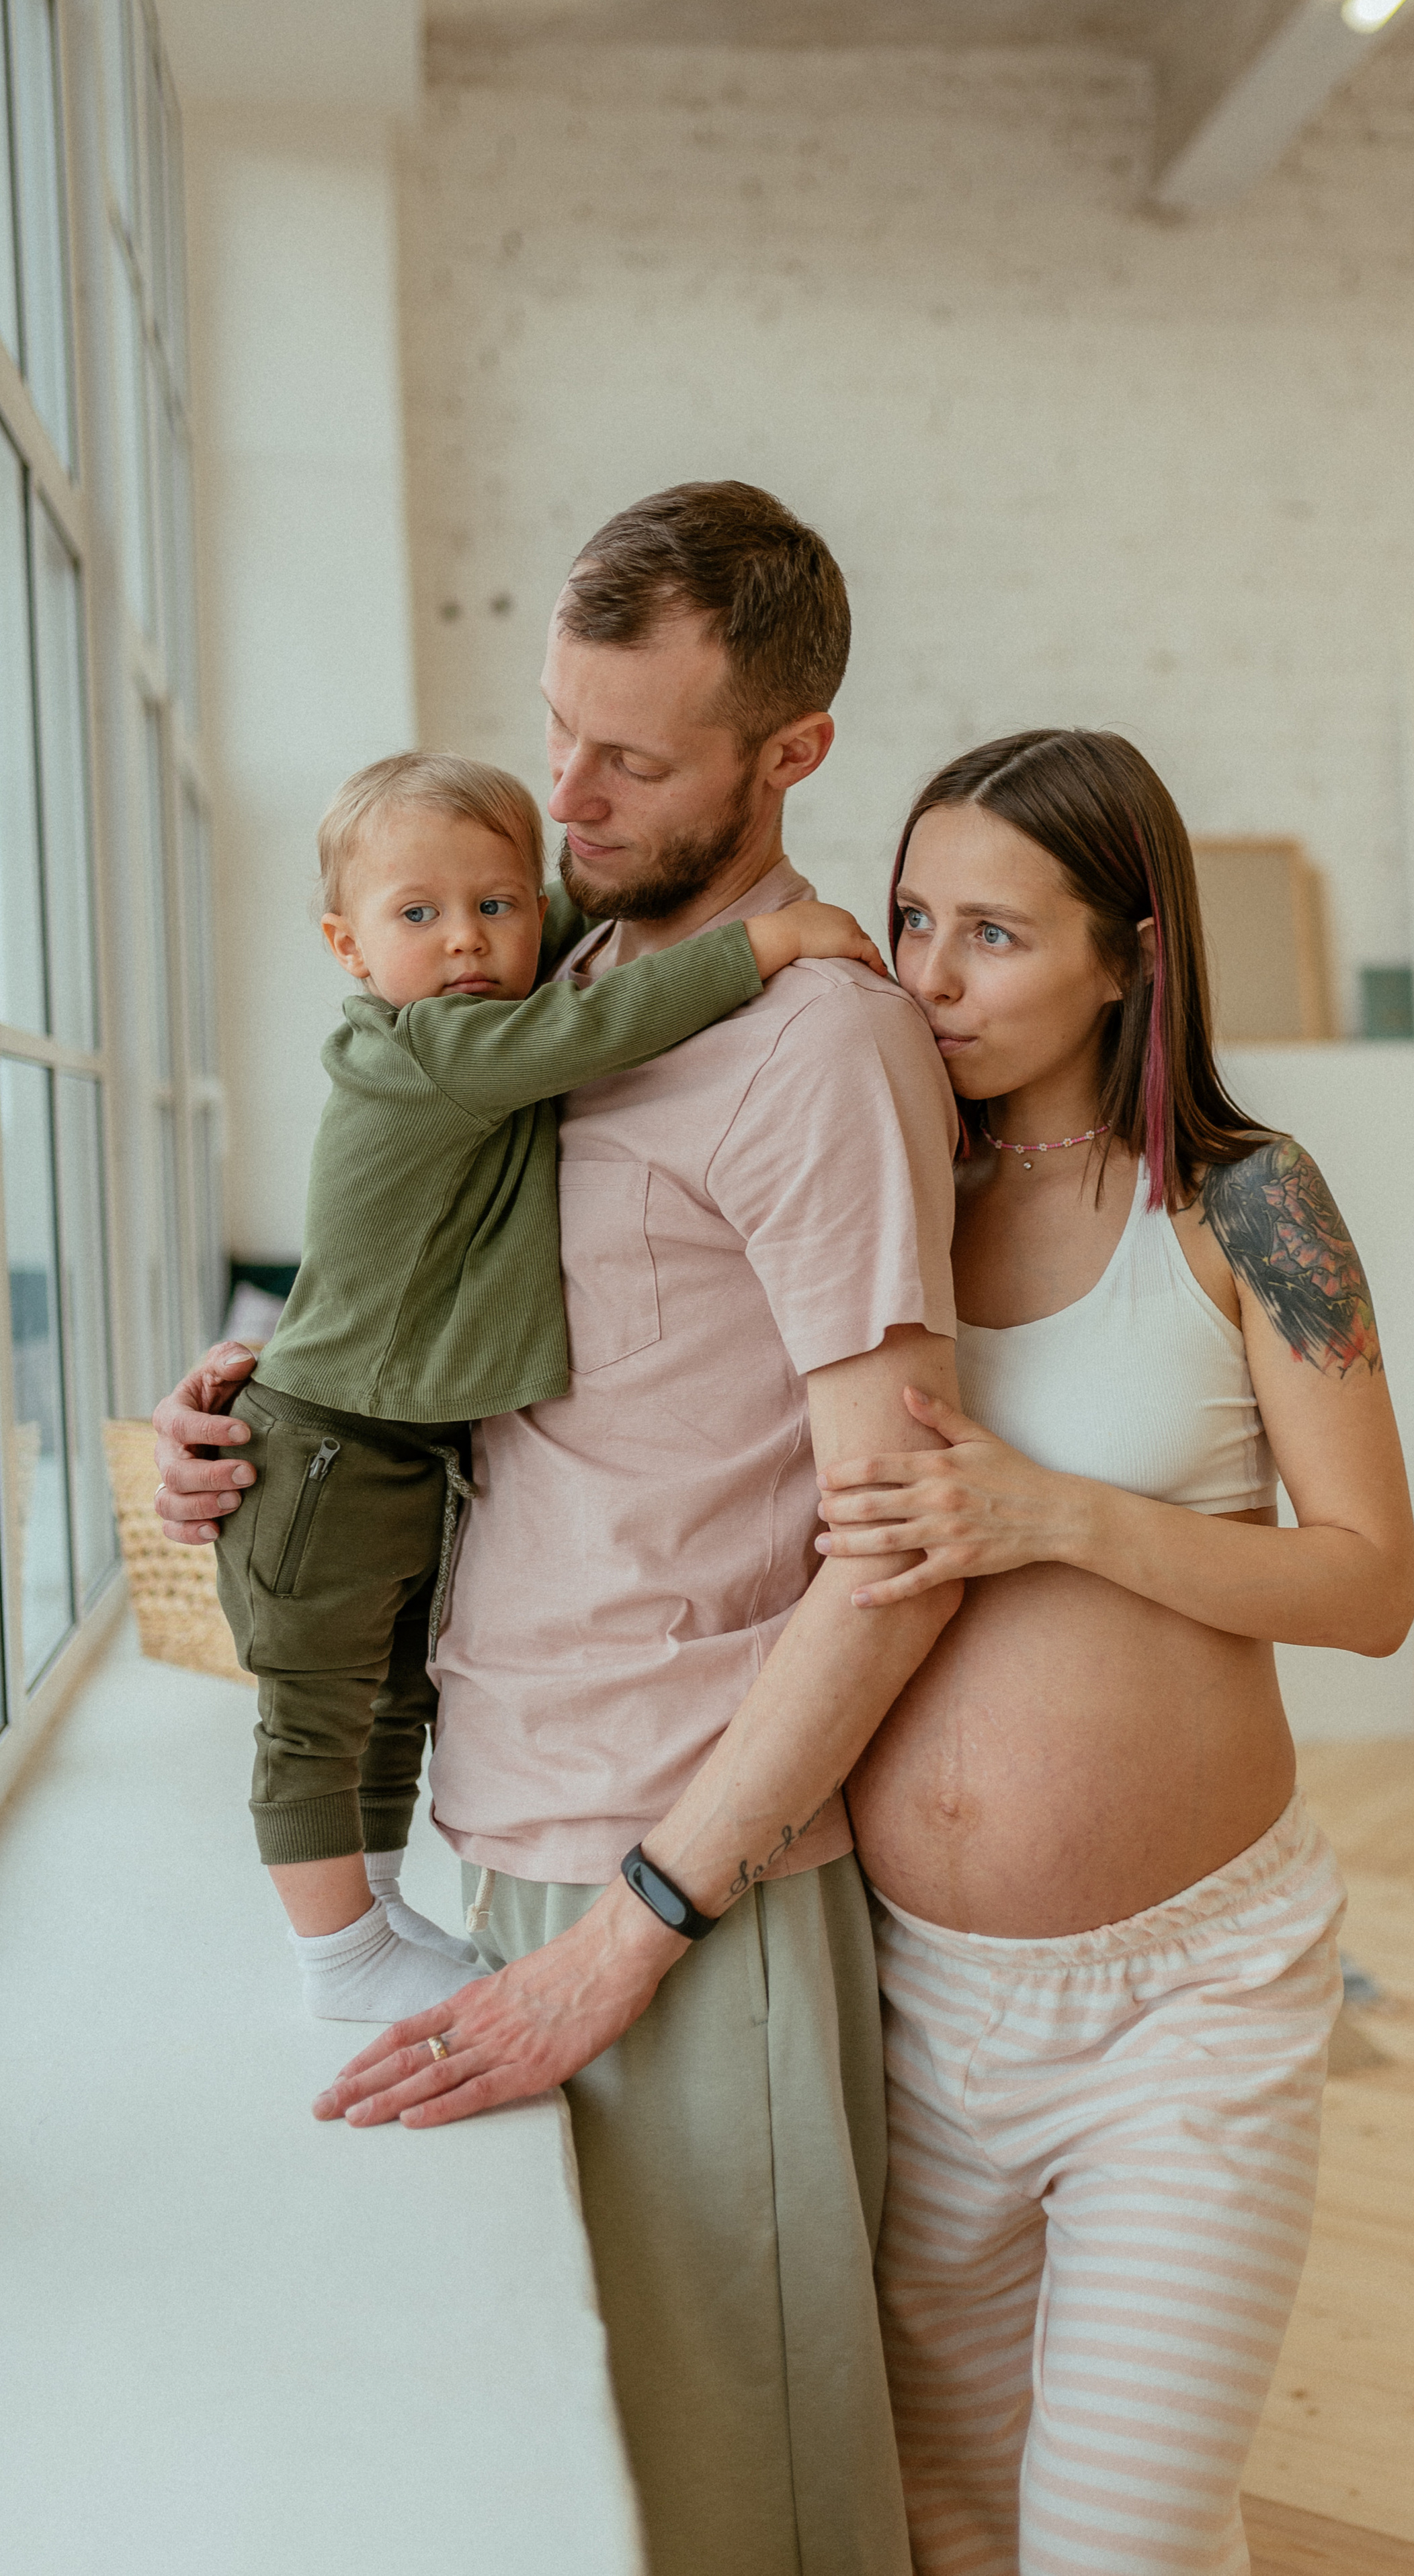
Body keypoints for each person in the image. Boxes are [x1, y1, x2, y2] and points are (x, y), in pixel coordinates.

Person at [152, 484, 964, 2576]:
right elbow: (469, 1337)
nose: (568, 793)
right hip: (506, 1838)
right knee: (598, 2513)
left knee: (748, 2512)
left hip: (683, 1888)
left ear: (793, 754)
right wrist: (255, 1427)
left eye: (640, 756)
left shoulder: (819, 1044)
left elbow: (897, 1539)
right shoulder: (560, 979)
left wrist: (636, 1941)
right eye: (557, 730)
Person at [810, 729, 1414, 2576]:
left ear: (1130, 953)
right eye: (911, 916)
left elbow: (1371, 1583)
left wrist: (1057, 1516)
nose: (927, 974)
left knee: (1121, 2543)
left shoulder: (1246, 1201)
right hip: (914, 1997)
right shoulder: (885, 1184)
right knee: (954, 2529)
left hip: (1191, 2002)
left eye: (991, 932)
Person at [212, 746, 884, 2024]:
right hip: (328, 1447)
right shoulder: (438, 1047)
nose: (466, 941)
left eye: (494, 906)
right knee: (315, 1709)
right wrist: (769, 942)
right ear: (347, 948)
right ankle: (334, 1955)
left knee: (392, 1689)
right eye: (419, 915)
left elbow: (569, 909)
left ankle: (374, 1903)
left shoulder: (475, 990)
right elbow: (600, 1018)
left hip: (396, 1441)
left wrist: (564, 876)